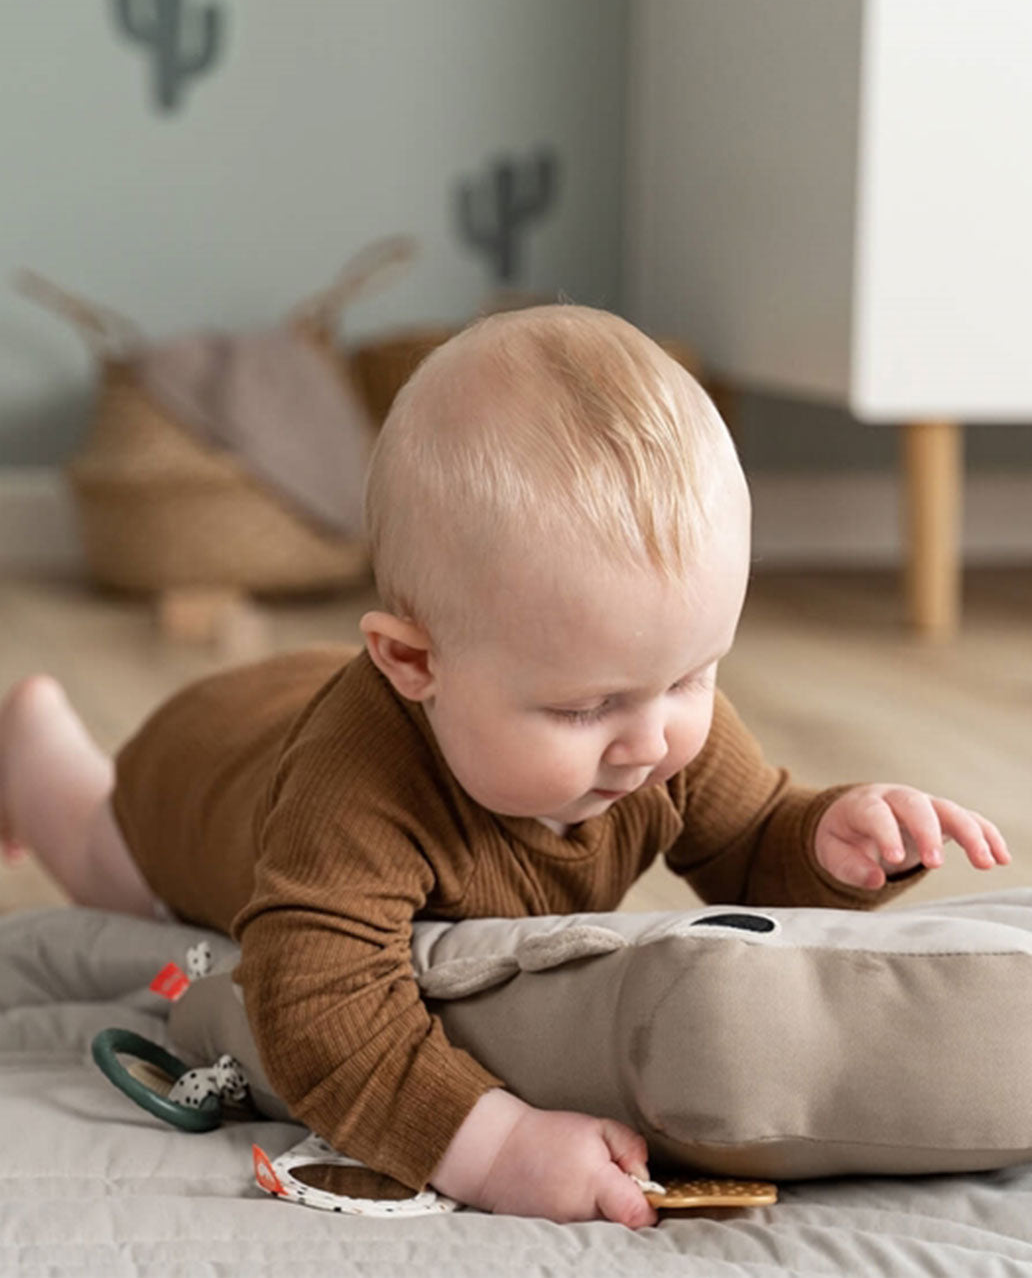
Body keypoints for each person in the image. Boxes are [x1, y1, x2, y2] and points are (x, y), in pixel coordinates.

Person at [0, 305, 1010, 1228]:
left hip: (319, 691)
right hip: (204, 768)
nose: (651, 740)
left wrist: (833, 841)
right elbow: (319, 1009)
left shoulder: (645, 711)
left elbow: (751, 845)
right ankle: (30, 738)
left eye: (696, 674)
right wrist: (491, 1145)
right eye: (587, 707)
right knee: (112, 869)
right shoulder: (353, 796)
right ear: (412, 664)